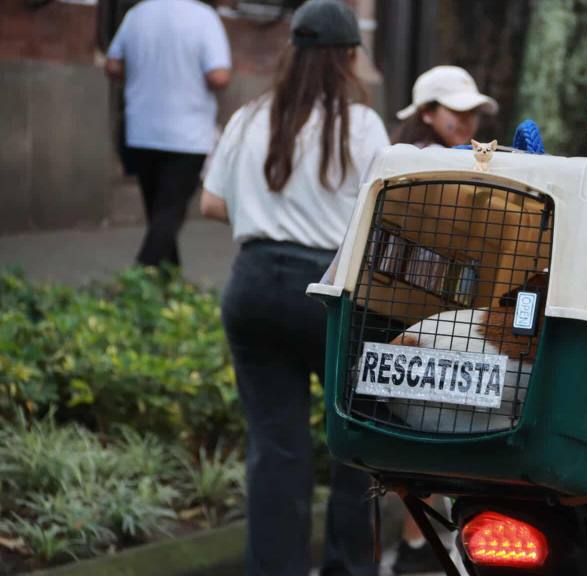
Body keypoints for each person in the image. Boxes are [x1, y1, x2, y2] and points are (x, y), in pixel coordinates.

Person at [198, 1, 389, 574]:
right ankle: (347, 568)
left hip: (253, 286)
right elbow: (385, 217)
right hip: (330, 293)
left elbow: (211, 204)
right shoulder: (362, 126)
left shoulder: (252, 116)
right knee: (358, 443)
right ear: (350, 58)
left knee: (276, 449)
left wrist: (271, 210)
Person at [386, 63, 497, 575]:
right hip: (409, 314)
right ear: (427, 112)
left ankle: (418, 545)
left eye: (475, 113)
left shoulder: (443, 157)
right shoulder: (417, 162)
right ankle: (418, 545)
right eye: (459, 112)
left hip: (439, 313)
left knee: (430, 435)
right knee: (431, 436)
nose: (469, 123)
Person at [106, 0, 232, 268]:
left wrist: (146, 73)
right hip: (187, 134)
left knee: (158, 212)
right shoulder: (204, 17)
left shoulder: (137, 14)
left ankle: (169, 280)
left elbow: (113, 65)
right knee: (169, 213)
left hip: (141, 129)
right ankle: (139, 275)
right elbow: (219, 76)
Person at [392, 65, 499, 148]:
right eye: (457, 110)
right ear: (427, 113)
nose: (467, 120)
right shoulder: (419, 159)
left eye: (473, 111)